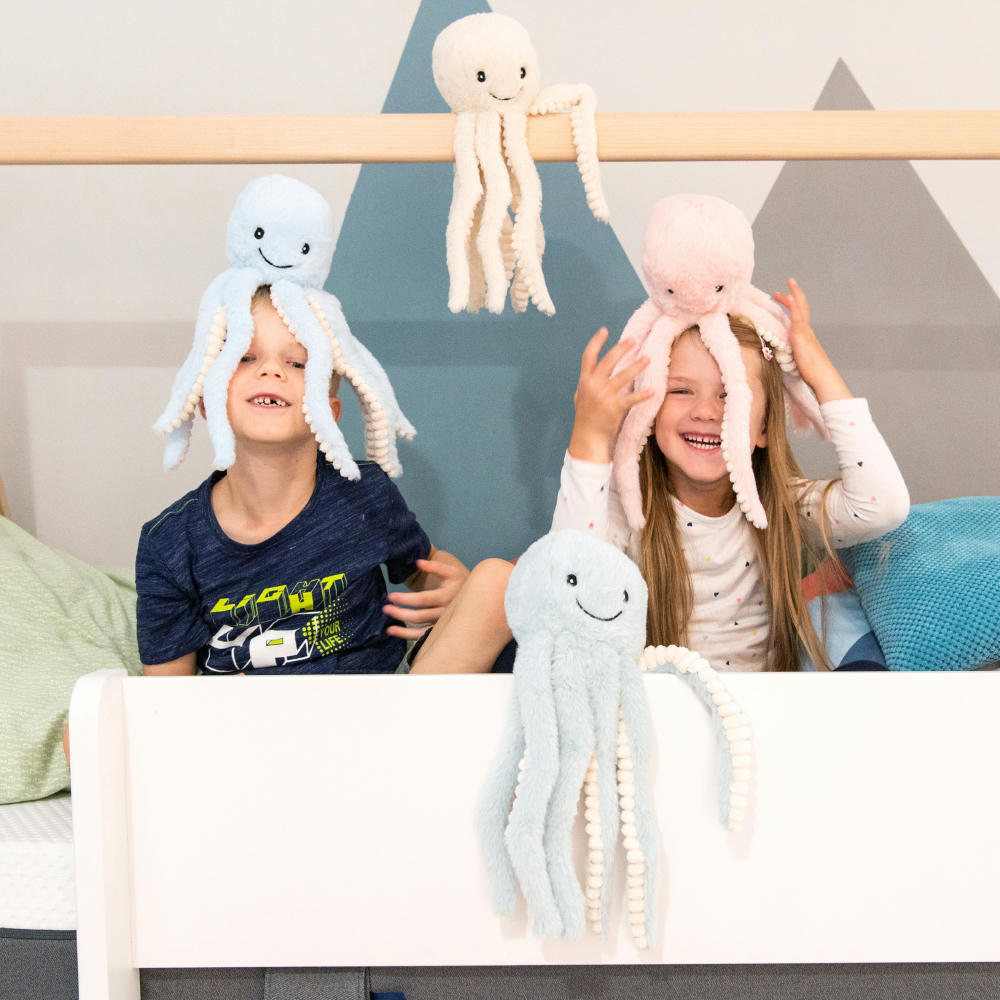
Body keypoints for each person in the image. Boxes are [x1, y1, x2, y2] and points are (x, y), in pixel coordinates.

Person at [551, 279, 910, 672]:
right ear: (648, 414)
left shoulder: (782, 505)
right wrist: (589, 438)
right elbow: (566, 586)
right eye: (681, 391)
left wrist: (819, 372)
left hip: (757, 704)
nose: (706, 411)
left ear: (764, 427)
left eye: (730, 396)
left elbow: (884, 507)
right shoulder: (628, 514)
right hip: (660, 700)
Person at [137, 286, 473, 676]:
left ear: (328, 415)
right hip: (248, 714)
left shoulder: (366, 494)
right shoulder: (169, 544)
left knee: (493, 582)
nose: (271, 371)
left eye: (298, 363)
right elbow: (164, 695)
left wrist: (455, 586)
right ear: (208, 400)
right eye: (245, 357)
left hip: (378, 704)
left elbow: (425, 566)